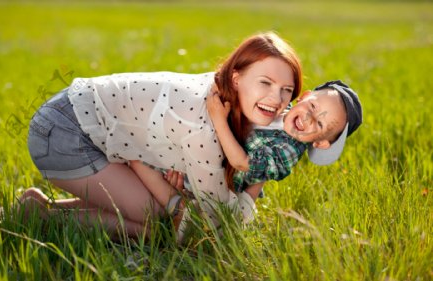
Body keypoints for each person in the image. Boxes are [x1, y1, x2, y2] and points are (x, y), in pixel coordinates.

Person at [23, 31, 303, 239]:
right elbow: (212, 223)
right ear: (237, 78)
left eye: (286, 90)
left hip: (87, 125)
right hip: (64, 134)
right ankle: (46, 219)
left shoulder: (224, 94)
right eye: (265, 82)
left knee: (157, 205)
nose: (277, 98)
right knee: (155, 222)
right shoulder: (206, 124)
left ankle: (38, 206)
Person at [135, 80, 362, 219]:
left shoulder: (289, 151)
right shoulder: (277, 105)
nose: (308, 118)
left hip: (217, 181)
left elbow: (242, 163)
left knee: (136, 159)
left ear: (321, 143)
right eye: (312, 106)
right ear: (305, 96)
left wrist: (218, 117)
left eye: (319, 125)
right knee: (143, 151)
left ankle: (176, 205)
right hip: (198, 151)